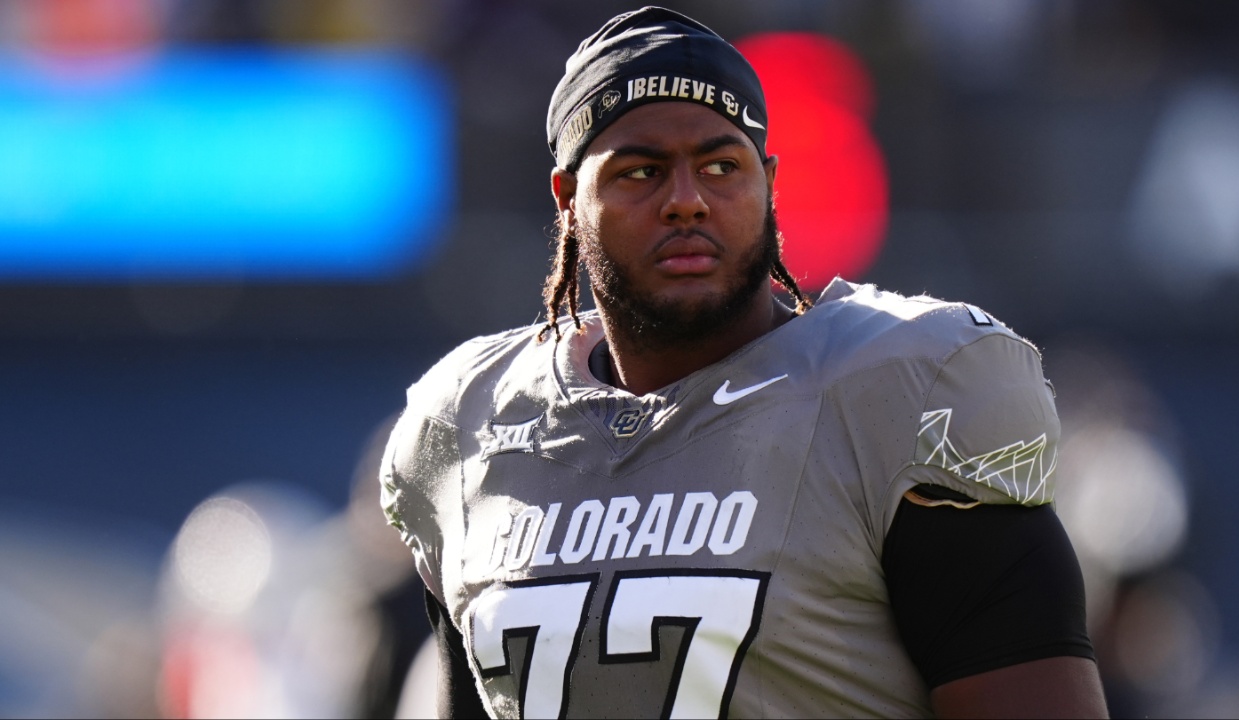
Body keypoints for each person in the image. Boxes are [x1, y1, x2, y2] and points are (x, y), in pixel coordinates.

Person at [379, 6, 1108, 718]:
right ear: (569, 199)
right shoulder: (471, 425)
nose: (687, 201)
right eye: (641, 172)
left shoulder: (902, 390)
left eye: (721, 165)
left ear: (769, 183)